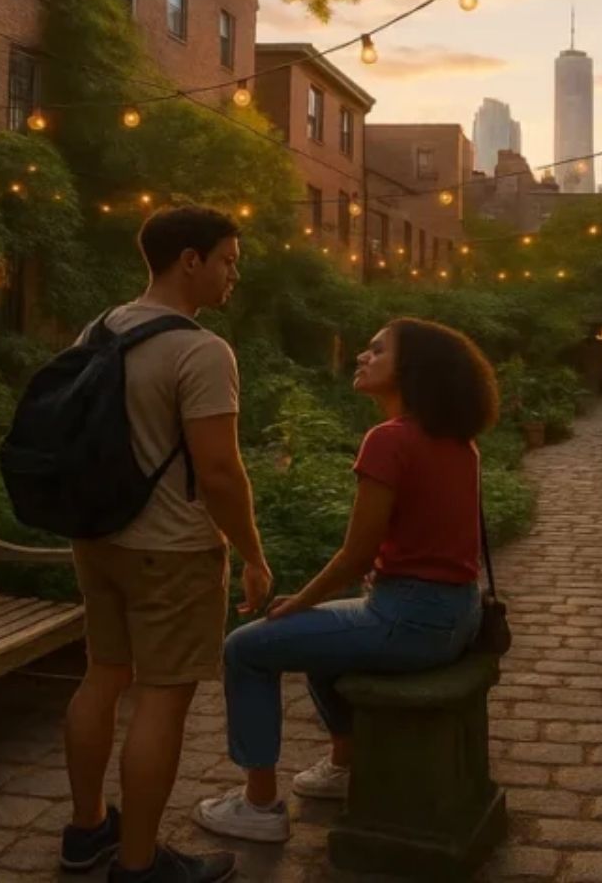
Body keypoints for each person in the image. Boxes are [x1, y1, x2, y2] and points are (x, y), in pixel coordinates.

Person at [193, 318, 495, 844]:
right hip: (458, 616)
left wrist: (298, 602)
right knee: (321, 636)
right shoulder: (459, 441)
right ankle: (344, 764)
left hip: (408, 620)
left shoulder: (389, 440)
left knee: (245, 649)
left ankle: (258, 804)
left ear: (411, 369)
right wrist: (311, 607)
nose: (362, 356)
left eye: (377, 350)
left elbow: (356, 556)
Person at [58, 206, 272, 883]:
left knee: (102, 676)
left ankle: (87, 830)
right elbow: (217, 470)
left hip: (98, 538)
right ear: (190, 260)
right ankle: (140, 864)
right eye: (228, 259)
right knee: (162, 698)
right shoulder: (201, 351)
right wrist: (252, 554)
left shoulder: (97, 329)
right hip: (173, 551)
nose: (234, 272)